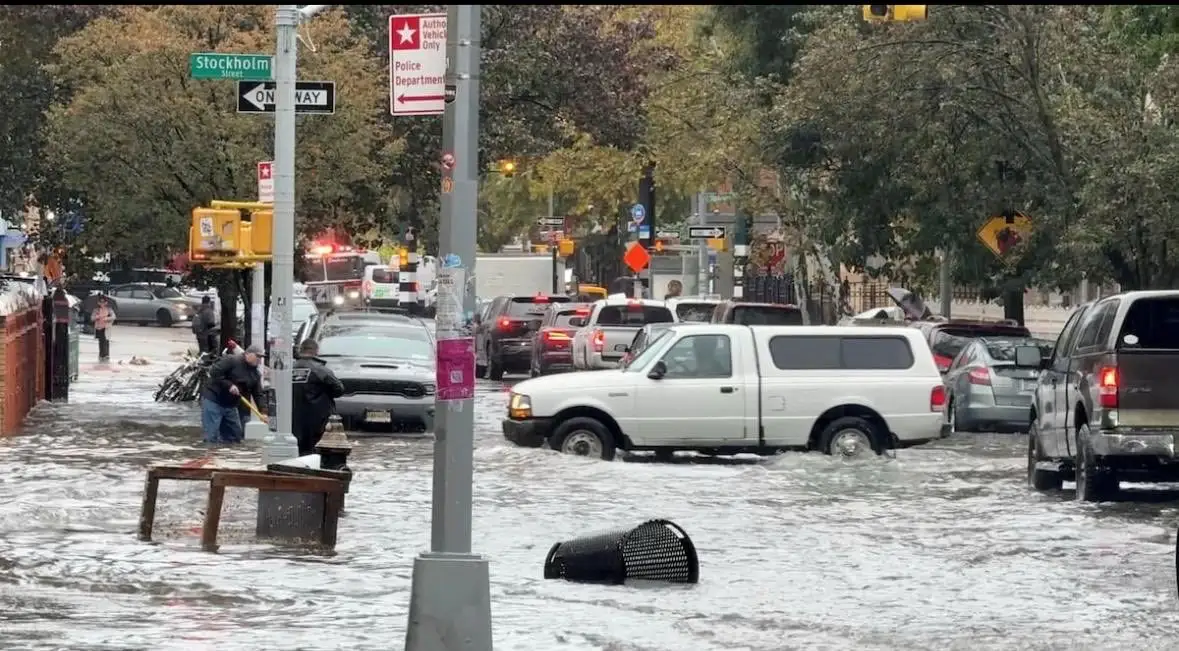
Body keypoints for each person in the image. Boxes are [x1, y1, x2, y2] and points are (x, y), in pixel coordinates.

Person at [200, 344, 265, 445]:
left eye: (261, 358)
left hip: (231, 405)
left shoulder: (255, 374)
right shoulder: (232, 360)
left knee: (235, 436)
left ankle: (228, 456)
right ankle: (209, 455)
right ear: (247, 354)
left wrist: (263, 412)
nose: (260, 361)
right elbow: (214, 372)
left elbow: (258, 394)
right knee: (211, 435)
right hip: (214, 400)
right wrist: (229, 385)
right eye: (258, 357)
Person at [291, 339, 345, 456]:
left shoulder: (288, 369)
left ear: (301, 350)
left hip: (293, 419)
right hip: (318, 419)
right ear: (316, 351)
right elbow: (339, 389)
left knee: (298, 451)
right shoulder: (321, 370)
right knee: (317, 453)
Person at [90, 296, 115, 362]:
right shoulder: (96, 310)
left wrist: (107, 318)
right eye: (101, 302)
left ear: (106, 303)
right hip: (99, 327)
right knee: (101, 341)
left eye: (103, 302)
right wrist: (97, 317)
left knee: (106, 340)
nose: (102, 303)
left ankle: (106, 355)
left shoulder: (109, 309)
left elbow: (113, 317)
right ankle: (101, 355)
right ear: (98, 303)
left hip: (106, 327)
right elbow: (92, 318)